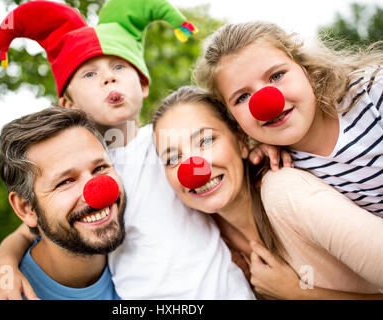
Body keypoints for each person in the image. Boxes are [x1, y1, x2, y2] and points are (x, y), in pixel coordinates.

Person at [0, 0, 255, 299]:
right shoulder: (84, 169)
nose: (109, 77)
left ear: (143, 84)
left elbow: (221, 150)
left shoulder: (169, 140)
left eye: (119, 66)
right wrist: (3, 266)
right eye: (89, 74)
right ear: (68, 104)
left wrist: (260, 148)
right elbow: (27, 231)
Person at [152, 85, 383, 299]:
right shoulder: (207, 243)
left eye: (206, 141)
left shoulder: (286, 193)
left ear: (242, 142)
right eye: (173, 158)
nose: (192, 169)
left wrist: (299, 293)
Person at [194, 22, 383, 217]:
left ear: (307, 71)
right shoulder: (279, 167)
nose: (266, 103)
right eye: (242, 97)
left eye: (276, 76)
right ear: (232, 117)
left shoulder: (372, 91)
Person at [0, 107, 126, 300]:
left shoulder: (148, 245)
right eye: (65, 181)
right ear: (26, 208)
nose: (98, 192)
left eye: (100, 167)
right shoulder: (2, 294)